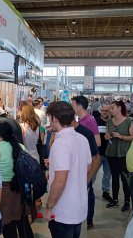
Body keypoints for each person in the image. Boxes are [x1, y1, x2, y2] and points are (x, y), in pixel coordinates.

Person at [45, 101, 91, 238]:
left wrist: (49, 206)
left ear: (54, 118)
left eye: (50, 119)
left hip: (63, 211)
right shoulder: (82, 139)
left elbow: (60, 181)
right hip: (79, 207)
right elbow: (86, 167)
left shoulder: (61, 144)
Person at [0, 120, 34, 238]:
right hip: (20, 190)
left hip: (4, 193)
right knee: (23, 223)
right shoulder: (20, 147)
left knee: (8, 226)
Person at [105, 100, 133, 211]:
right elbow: (106, 135)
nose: (110, 110)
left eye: (112, 108)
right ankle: (115, 199)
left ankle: (127, 201)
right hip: (112, 152)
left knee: (124, 178)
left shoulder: (128, 122)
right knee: (114, 177)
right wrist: (107, 137)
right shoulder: (109, 122)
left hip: (124, 153)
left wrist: (121, 136)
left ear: (119, 108)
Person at [71, 119, 100, 230]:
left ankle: (88, 220)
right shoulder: (64, 133)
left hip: (83, 175)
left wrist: (88, 178)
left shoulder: (85, 132)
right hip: (72, 177)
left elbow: (95, 158)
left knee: (88, 193)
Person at [95, 105, 113, 202]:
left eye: (107, 110)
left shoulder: (113, 122)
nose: (104, 112)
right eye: (103, 110)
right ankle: (86, 189)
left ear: (110, 111)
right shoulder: (95, 122)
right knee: (92, 173)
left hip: (109, 153)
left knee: (107, 174)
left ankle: (105, 192)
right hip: (98, 153)